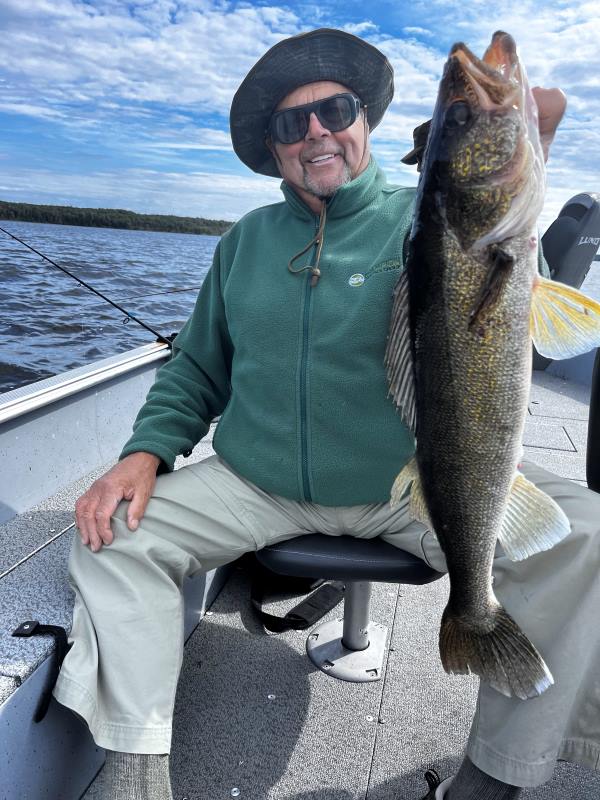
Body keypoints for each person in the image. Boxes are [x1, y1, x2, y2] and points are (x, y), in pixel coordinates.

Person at [51, 28, 599, 800]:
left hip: (407, 485)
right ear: (271, 150)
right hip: (258, 481)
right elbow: (196, 368)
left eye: (334, 108)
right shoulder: (242, 243)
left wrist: (532, 147)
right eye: (289, 123)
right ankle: (137, 782)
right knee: (109, 539)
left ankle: (493, 781)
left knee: (588, 539)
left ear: (364, 122)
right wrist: (144, 454)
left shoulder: (428, 220)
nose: (315, 131)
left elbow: (508, 308)